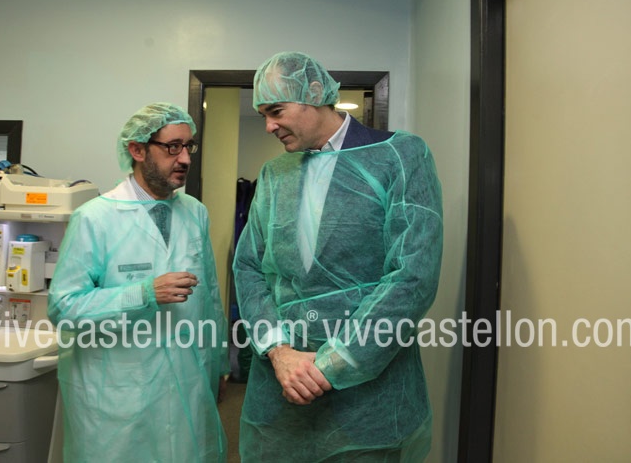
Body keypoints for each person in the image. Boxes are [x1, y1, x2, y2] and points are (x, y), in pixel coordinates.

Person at [233, 52, 444, 462]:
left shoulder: (400, 157)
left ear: (315, 93)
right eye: (263, 115)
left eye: (276, 111)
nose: (269, 126)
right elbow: (249, 267)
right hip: (282, 384)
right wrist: (279, 351)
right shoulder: (275, 175)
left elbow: (412, 276)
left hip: (368, 394)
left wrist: (332, 365)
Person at [48, 102, 229, 462]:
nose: (185, 158)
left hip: (187, 381)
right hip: (118, 389)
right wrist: (143, 293)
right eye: (172, 147)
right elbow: (63, 308)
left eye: (188, 146)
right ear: (137, 150)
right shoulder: (95, 218)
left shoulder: (195, 212)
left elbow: (209, 294)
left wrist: (219, 363)